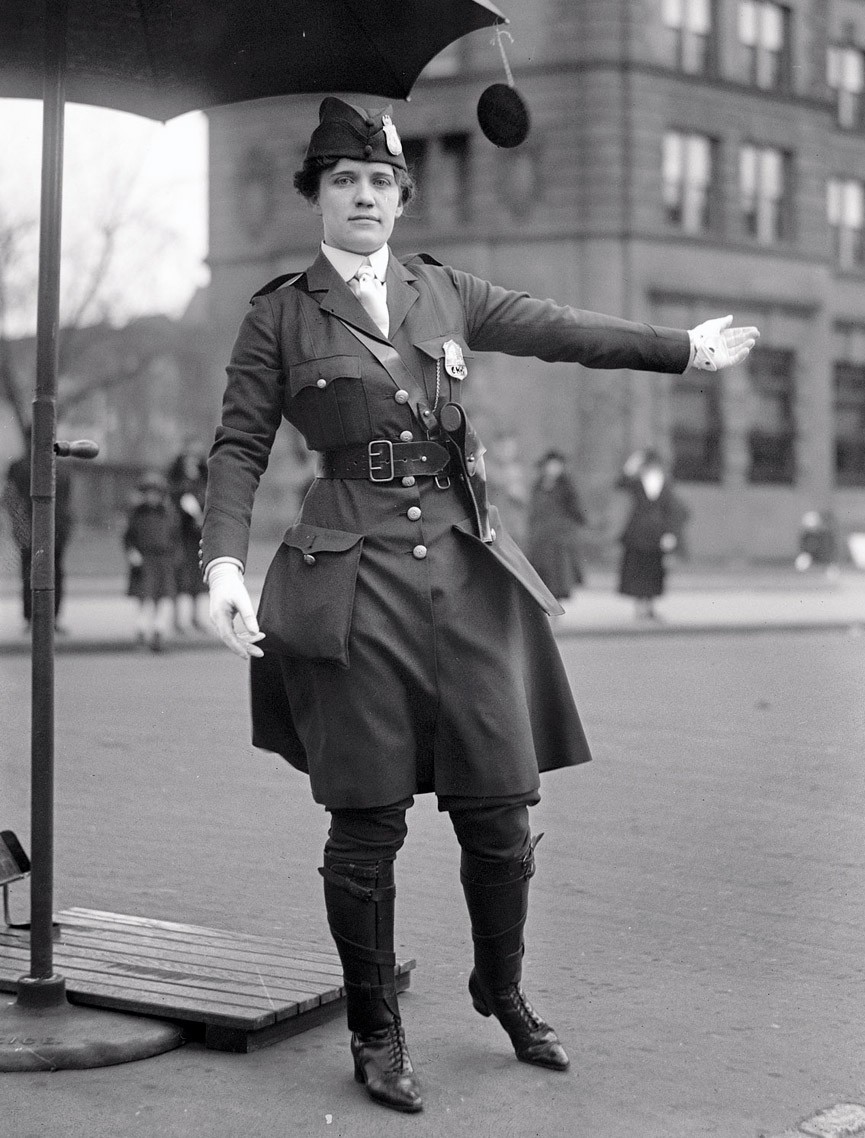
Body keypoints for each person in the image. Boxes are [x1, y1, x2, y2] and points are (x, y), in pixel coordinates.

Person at [201, 97, 759, 1114]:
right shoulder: (278, 313)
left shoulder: (442, 290)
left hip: (463, 575)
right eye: (343, 183)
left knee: (500, 812)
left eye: (378, 184)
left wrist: (676, 347)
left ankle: (499, 987)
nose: (363, 197)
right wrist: (222, 569)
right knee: (365, 823)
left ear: (400, 199)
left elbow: (559, 327)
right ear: (317, 199)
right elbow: (237, 446)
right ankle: (376, 1029)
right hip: (349, 579)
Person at [1, 427, 73, 633]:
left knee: (32, 572)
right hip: (51, 528)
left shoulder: (20, 467)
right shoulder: (58, 467)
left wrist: (20, 527)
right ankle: (48, 617)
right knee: (52, 572)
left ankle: (34, 617)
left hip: (39, 529)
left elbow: (9, 499)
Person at [616, 448, 689, 619]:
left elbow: (671, 511)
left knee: (654, 572)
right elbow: (620, 483)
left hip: (657, 535)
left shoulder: (666, 484)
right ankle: (639, 606)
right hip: (638, 534)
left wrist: (670, 534)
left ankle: (649, 607)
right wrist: (632, 463)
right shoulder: (637, 483)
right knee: (637, 570)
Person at [123, 471, 180, 651]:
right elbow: (128, 538)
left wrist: (175, 559)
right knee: (144, 598)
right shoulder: (137, 514)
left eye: (155, 493)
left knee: (163, 599)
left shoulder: (169, 513)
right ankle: (141, 631)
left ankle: (158, 632)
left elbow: (175, 538)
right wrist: (132, 553)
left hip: (164, 560)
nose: (152, 497)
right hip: (144, 559)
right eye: (148, 493)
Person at [525, 450, 586, 601]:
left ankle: (555, 607)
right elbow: (533, 510)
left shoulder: (566, 487)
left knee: (557, 576)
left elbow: (577, 512)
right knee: (539, 574)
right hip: (540, 537)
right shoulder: (538, 485)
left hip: (559, 538)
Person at [166, 443, 209, 633]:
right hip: (180, 537)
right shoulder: (176, 484)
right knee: (179, 576)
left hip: (197, 537)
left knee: (197, 578)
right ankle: (176, 620)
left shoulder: (204, 483)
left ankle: (195, 618)